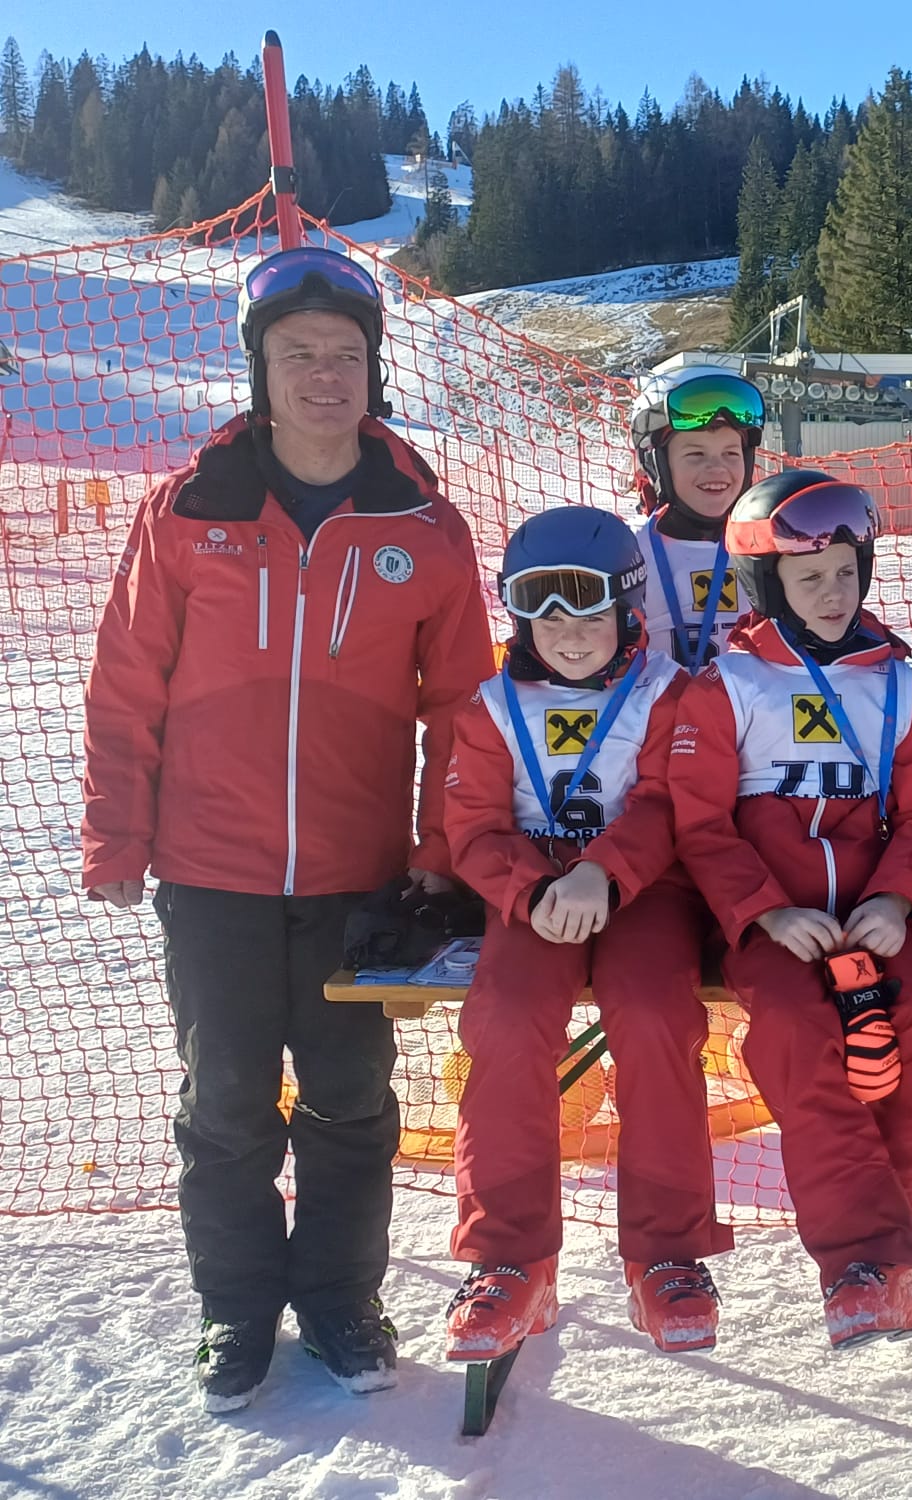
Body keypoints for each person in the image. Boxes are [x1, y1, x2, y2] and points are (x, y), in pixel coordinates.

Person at [80, 245, 494, 1412]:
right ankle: (236, 1309)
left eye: (345, 355)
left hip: (357, 876)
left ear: (374, 370)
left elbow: (464, 713)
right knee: (224, 1102)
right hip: (209, 867)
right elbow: (125, 683)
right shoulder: (189, 510)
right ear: (259, 368)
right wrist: (116, 834)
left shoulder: (424, 525)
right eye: (299, 353)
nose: (324, 375)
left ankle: (340, 1300)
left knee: (350, 1098)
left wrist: (439, 858)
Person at [667, 471, 912, 1349]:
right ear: (769, 584)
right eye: (810, 578)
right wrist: (766, 911)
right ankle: (866, 1262)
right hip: (777, 925)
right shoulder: (726, 687)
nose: (834, 593)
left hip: (884, 913)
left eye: (847, 573)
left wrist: (897, 896)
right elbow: (700, 823)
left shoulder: (906, 691)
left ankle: (887, 1254)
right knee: (793, 1035)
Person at [440, 506, 732, 1363]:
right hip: (537, 894)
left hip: (643, 889)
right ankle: (510, 1258)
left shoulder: (667, 692)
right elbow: (473, 826)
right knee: (505, 1021)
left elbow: (667, 799)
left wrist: (604, 872)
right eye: (547, 615)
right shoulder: (493, 707)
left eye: (590, 613)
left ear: (629, 609)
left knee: (655, 1016)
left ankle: (667, 1253)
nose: (569, 635)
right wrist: (531, 890)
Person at [628, 364, 765, 669]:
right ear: (655, 463)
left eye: (731, 453)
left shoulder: (765, 551)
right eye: (695, 455)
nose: (717, 468)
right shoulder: (630, 554)